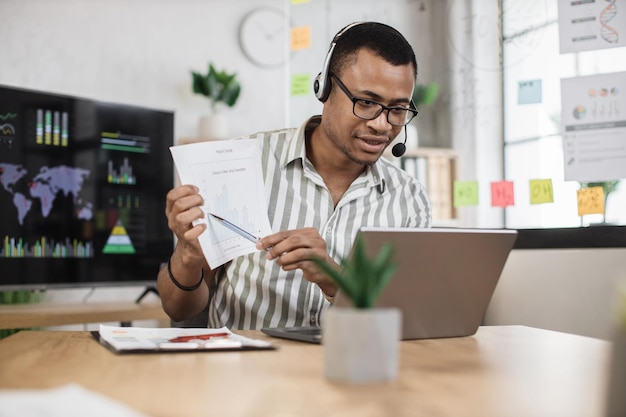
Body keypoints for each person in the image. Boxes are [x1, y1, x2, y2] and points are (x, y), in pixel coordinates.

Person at [157, 21, 431, 330]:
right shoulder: (244, 163)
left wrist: (333, 278)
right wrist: (188, 254)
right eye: (366, 103)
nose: (382, 125)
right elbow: (178, 310)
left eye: (397, 109)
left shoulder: (410, 199)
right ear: (325, 87)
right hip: (243, 373)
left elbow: (407, 322)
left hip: (353, 372)